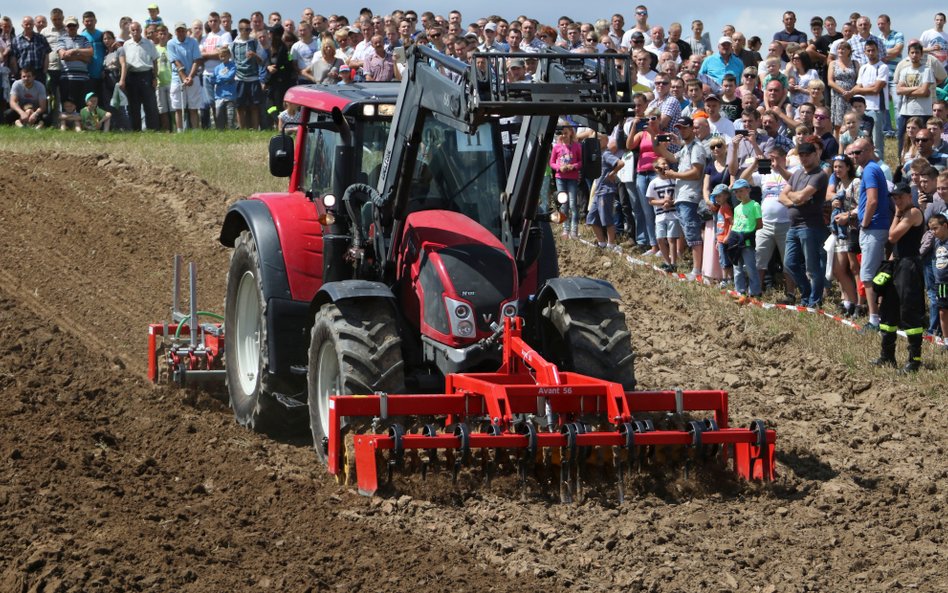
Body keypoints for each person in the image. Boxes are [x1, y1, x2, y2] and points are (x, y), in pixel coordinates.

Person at [872, 183, 926, 372]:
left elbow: (892, 236)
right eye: (894, 198)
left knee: (909, 312)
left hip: (909, 266)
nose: (897, 201)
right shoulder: (902, 213)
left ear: (909, 196)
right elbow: (892, 241)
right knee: (888, 309)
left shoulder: (913, 213)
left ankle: (914, 360)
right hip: (896, 264)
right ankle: (887, 356)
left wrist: (896, 213)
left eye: (900, 197)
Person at [655, 116, 709, 281]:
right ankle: (696, 269)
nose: (681, 130)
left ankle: (697, 270)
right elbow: (669, 157)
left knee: (692, 235)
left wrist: (674, 174)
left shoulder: (697, 148)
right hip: (683, 196)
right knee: (690, 233)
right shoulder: (686, 147)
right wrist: (656, 140)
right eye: (679, 128)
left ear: (692, 128)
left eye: (685, 127)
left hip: (690, 196)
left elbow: (696, 172)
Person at [778, 142, 829, 307]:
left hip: (811, 226)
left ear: (815, 154)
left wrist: (793, 197)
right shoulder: (797, 173)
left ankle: (814, 301)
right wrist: (795, 200)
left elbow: (799, 197)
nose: (804, 158)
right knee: (790, 263)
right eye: (802, 155)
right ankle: (807, 294)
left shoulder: (819, 175)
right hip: (794, 226)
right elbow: (782, 197)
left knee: (813, 267)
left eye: (808, 154)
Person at [849, 138, 893, 329]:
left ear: (869, 150)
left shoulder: (869, 170)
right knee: (875, 274)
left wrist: (865, 222)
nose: (854, 156)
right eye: (853, 153)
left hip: (873, 227)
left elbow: (872, 200)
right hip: (877, 226)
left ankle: (874, 319)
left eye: (858, 152)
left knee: (867, 275)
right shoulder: (872, 169)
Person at [828, 155, 862, 316]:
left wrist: (848, 215)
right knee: (839, 269)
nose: (837, 170)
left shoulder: (856, 183)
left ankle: (860, 305)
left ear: (848, 167)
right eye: (835, 167)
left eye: (840, 166)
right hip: (842, 231)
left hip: (854, 230)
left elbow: (861, 206)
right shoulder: (840, 184)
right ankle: (851, 301)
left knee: (855, 268)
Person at [896, 41, 936, 156]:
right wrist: (917, 88)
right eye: (912, 52)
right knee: (903, 140)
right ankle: (902, 162)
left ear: (921, 54)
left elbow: (924, 91)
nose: (914, 55)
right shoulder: (904, 71)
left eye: (917, 52)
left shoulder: (927, 70)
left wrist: (907, 90)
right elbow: (899, 90)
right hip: (906, 111)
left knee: (922, 140)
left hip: (922, 112)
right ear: (908, 54)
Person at [119, 21, 159, 131]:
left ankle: (153, 129)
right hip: (132, 76)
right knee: (134, 105)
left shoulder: (149, 43)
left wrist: (155, 77)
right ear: (130, 31)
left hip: (146, 74)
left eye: (137, 30)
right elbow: (124, 63)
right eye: (133, 30)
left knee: (150, 104)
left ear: (141, 30)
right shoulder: (126, 44)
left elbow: (155, 61)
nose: (135, 32)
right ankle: (136, 129)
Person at [588, 134, 624, 251]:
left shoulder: (606, 154)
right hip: (598, 190)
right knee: (592, 217)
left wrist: (612, 174)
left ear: (606, 140)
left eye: (599, 139)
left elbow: (620, 163)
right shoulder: (599, 154)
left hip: (606, 190)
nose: (597, 141)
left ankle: (611, 244)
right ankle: (601, 242)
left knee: (606, 218)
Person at [728, 178, 763, 297]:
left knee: (750, 267)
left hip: (747, 241)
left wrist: (749, 233)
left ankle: (755, 292)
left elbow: (759, 224)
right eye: (736, 192)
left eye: (741, 191)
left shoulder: (755, 205)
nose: (738, 194)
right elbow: (735, 224)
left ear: (748, 190)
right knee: (737, 267)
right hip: (736, 241)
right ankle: (740, 291)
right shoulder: (737, 208)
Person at [647, 157, 681, 271]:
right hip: (660, 215)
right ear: (656, 168)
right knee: (660, 238)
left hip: (673, 214)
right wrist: (663, 202)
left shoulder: (674, 180)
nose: (665, 166)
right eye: (662, 164)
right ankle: (666, 261)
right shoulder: (653, 183)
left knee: (671, 238)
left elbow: (678, 195)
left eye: (666, 163)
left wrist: (670, 202)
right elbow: (650, 200)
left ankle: (673, 263)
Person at [550, 123, 583, 239]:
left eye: (566, 133)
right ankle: (565, 229)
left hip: (572, 178)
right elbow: (552, 163)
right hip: (560, 177)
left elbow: (580, 162)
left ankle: (574, 230)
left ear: (570, 132)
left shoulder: (576, 146)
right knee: (564, 204)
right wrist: (559, 168)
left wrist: (573, 166)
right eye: (562, 133)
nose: (564, 135)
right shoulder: (557, 147)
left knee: (573, 204)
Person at [167, 21, 201, 131]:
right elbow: (176, 61)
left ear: (186, 31)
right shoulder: (171, 43)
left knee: (193, 107)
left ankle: (195, 131)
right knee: (178, 108)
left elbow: (196, 60)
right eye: (178, 30)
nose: (180, 32)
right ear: (175, 32)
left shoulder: (193, 42)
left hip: (193, 77)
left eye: (182, 30)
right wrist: (184, 77)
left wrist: (190, 76)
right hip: (177, 78)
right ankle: (180, 131)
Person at [232, 18, 263, 130]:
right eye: (246, 29)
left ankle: (255, 128)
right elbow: (231, 60)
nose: (249, 31)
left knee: (254, 106)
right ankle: (242, 129)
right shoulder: (234, 44)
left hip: (253, 78)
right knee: (240, 106)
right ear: (240, 30)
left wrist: (254, 55)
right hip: (239, 78)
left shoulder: (254, 42)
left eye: (249, 28)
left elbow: (261, 61)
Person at [56, 16, 93, 107]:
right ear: (65, 27)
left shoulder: (83, 39)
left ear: (77, 26)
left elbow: (90, 53)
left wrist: (74, 51)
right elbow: (63, 56)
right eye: (69, 25)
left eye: (74, 25)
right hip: (67, 78)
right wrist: (82, 57)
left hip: (83, 78)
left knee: (82, 106)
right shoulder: (61, 39)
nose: (72, 27)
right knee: (68, 106)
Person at [828, 41, 859, 128]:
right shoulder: (833, 63)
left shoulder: (855, 63)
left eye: (843, 49)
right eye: (839, 49)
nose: (840, 51)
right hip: (838, 96)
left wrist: (851, 93)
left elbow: (859, 81)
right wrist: (843, 92)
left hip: (852, 96)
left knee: (851, 121)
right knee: (838, 124)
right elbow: (830, 81)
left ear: (849, 51)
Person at [709, 183, 735, 285]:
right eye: (715, 196)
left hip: (725, 239)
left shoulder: (726, 208)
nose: (717, 198)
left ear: (726, 196)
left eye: (719, 196)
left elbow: (732, 223)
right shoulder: (721, 208)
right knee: (723, 259)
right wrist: (717, 240)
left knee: (725, 260)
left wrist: (728, 236)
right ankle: (728, 279)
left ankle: (726, 279)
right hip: (721, 239)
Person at [929, 212, 948, 344]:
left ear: (945, 225)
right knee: (942, 310)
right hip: (941, 283)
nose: (933, 232)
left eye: (935, 228)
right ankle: (946, 339)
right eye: (931, 229)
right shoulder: (936, 242)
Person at [211, 46, 236, 128]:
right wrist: (222, 79)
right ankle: (220, 131)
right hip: (219, 96)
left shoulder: (232, 66)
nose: (223, 58)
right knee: (218, 115)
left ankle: (231, 131)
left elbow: (230, 77)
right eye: (221, 56)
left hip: (230, 95)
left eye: (225, 56)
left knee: (230, 116)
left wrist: (219, 78)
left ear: (229, 55)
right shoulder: (217, 68)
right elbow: (212, 80)